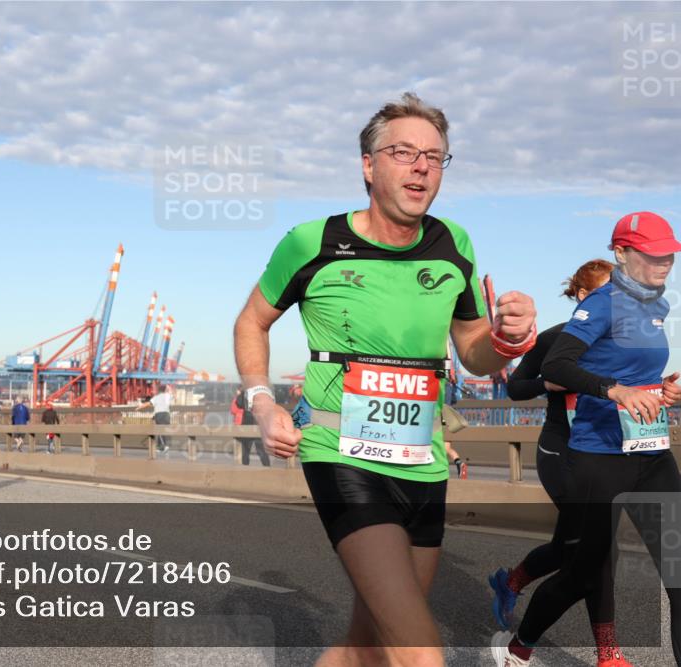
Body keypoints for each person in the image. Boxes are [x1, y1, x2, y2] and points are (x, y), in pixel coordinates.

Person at [234, 92, 537, 667]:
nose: (421, 165)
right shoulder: (312, 242)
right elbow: (252, 321)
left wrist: (508, 340)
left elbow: (473, 353)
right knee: (422, 654)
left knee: (366, 647)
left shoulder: (455, 246)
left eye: (435, 156)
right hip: (341, 453)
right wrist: (262, 402)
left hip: (422, 461)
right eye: (403, 152)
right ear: (368, 166)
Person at [494, 214, 681, 666]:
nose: (664, 261)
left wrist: (666, 389)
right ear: (621, 253)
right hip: (600, 459)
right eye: (652, 253)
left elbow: (641, 376)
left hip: (651, 453)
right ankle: (519, 647)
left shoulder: (658, 307)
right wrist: (615, 390)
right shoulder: (601, 304)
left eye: (669, 253)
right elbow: (556, 367)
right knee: (584, 573)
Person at [488, 261, 616, 648]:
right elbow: (515, 388)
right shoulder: (554, 339)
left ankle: (511, 581)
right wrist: (549, 381)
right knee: (599, 549)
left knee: (566, 549)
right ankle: (608, 652)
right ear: (582, 297)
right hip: (559, 451)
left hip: (602, 453)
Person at [235, 389, 270, 467]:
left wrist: (241, 393)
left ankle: (245, 469)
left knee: (246, 450)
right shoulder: (261, 391)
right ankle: (267, 468)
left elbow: (239, 403)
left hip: (248, 424)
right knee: (260, 450)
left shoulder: (246, 392)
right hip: (258, 424)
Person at [140, 385, 172, 455]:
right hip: (167, 414)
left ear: (159, 391)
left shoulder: (156, 397)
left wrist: (139, 407)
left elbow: (148, 404)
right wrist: (168, 388)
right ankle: (161, 447)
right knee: (163, 430)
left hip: (159, 414)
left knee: (159, 430)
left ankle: (163, 446)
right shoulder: (168, 396)